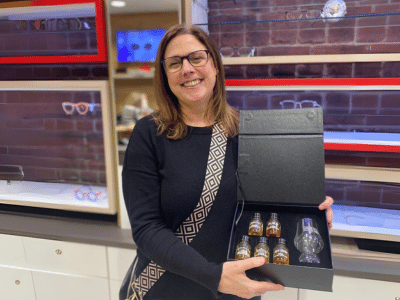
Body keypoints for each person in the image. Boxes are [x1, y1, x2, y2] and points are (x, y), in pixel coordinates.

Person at [121, 23, 334, 300]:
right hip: (166, 289)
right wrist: (213, 276)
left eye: (196, 57)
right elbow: (147, 228)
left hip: (237, 290)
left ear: (215, 65)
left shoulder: (248, 130)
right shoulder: (149, 133)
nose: (187, 69)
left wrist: (309, 213)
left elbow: (270, 207)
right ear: (164, 76)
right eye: (174, 63)